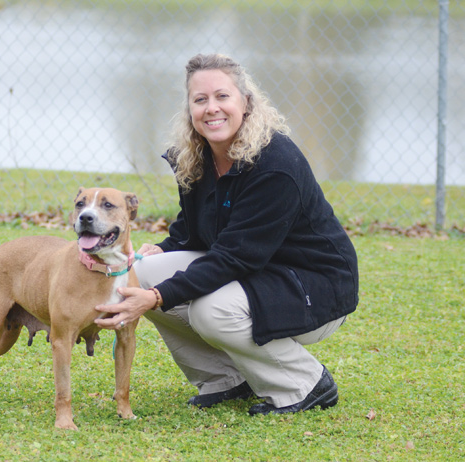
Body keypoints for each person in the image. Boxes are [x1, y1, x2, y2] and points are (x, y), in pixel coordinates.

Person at [95, 53, 358, 416]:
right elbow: (192, 235)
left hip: (313, 283)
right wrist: (160, 250)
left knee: (210, 310)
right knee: (140, 274)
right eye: (200, 99)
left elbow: (236, 257)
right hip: (255, 272)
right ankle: (226, 379)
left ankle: (305, 384)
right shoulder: (196, 156)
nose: (211, 108)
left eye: (222, 96)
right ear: (189, 108)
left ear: (246, 102)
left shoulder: (276, 164)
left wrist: (157, 296)